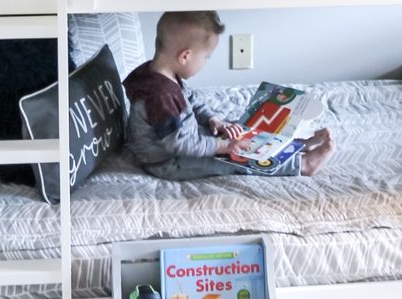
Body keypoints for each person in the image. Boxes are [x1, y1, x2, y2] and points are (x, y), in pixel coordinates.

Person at [123, 10, 335, 181]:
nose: (206, 61)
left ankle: (293, 145)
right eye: (206, 57)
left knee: (239, 130)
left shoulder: (162, 73)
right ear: (185, 56)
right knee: (232, 158)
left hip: (185, 135)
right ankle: (303, 165)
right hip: (168, 160)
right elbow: (179, 144)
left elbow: (192, 102)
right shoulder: (160, 95)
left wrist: (214, 120)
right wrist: (222, 146)